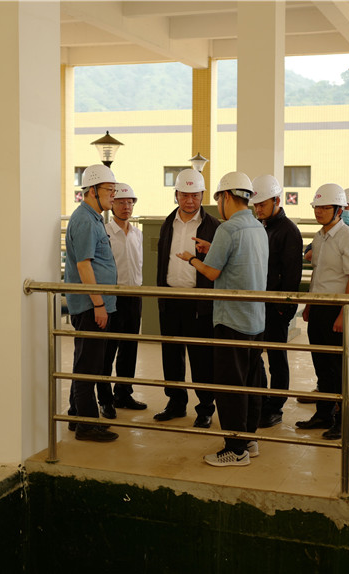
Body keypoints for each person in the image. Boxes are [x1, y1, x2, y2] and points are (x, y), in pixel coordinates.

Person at [177, 171, 268, 467]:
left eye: (218, 199)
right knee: (251, 383)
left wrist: (192, 259)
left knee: (230, 387)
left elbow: (212, 272)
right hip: (255, 319)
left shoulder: (228, 229)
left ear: (226, 196)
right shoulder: (258, 227)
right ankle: (249, 440)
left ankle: (235, 449)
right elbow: (237, 261)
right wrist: (210, 248)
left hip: (231, 320)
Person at [296, 183, 349, 440]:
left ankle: (344, 421)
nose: (319, 212)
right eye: (317, 207)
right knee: (322, 365)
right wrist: (309, 305)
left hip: (338, 309)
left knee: (341, 369)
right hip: (319, 308)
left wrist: (343, 314)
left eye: (325, 208)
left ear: (338, 210)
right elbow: (318, 273)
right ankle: (324, 414)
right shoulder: (320, 236)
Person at [155, 168, 219, 428]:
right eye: (184, 195)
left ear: (203, 195)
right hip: (170, 298)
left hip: (199, 302)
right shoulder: (168, 222)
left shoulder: (213, 226)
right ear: (176, 195)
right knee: (171, 355)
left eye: (194, 195)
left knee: (202, 357)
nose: (189, 200)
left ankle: (205, 407)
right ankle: (175, 402)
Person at [64, 164, 120, 442]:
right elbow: (84, 265)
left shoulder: (93, 218)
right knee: (89, 366)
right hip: (90, 307)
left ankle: (77, 414)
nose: (114, 195)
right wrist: (98, 304)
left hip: (95, 304)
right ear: (93, 190)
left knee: (87, 362)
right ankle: (86, 425)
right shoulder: (85, 220)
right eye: (110, 190)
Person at [249, 175, 303, 428]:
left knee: (277, 358)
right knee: (256, 354)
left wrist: (285, 308)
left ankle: (276, 406)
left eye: (263, 204)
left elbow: (292, 275)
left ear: (277, 201)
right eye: (255, 205)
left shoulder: (288, 231)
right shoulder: (261, 226)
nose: (258, 209)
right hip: (259, 304)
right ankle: (261, 399)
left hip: (277, 307)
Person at [97, 182, 148, 419]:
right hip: (112, 298)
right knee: (107, 351)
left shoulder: (137, 234)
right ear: (113, 204)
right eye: (121, 202)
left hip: (134, 297)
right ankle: (105, 399)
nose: (126, 206)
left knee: (129, 349)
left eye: (130, 202)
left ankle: (124, 393)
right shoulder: (105, 233)